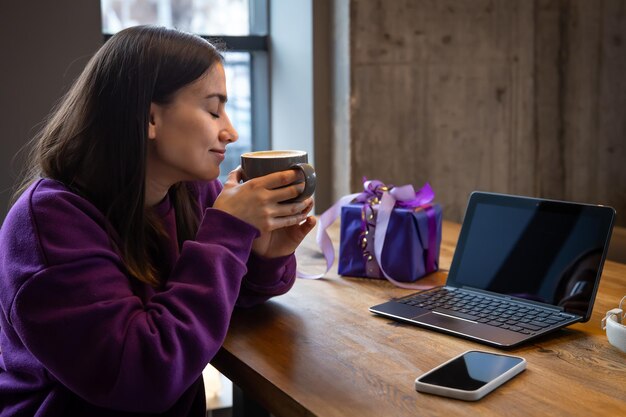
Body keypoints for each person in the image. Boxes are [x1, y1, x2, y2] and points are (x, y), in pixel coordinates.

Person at [0, 25, 315, 416]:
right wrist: (227, 234)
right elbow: (143, 377)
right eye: (213, 109)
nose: (230, 131)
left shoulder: (188, 190)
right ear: (150, 118)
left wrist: (264, 257)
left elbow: (225, 301)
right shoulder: (46, 225)